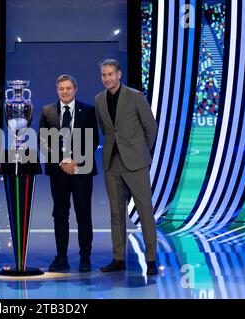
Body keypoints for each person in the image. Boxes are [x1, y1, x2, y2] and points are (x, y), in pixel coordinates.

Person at [95, 59, 158, 275]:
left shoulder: (135, 96)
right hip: (112, 163)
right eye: (104, 75)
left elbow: (150, 128)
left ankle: (151, 260)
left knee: (145, 211)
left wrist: (139, 152)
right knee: (116, 213)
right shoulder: (99, 100)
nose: (107, 78)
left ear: (119, 74)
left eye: (110, 74)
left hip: (136, 162)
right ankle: (118, 257)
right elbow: (106, 129)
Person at [39, 74, 99, 272]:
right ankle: (61, 257)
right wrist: (62, 161)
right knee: (60, 215)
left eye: (68, 88)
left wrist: (76, 161)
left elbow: (93, 140)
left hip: (81, 170)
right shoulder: (47, 111)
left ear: (75, 89)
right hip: (58, 172)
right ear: (57, 90)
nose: (64, 92)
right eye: (61, 89)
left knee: (84, 214)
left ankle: (85, 258)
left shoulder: (88, 111)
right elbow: (43, 141)